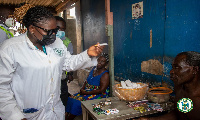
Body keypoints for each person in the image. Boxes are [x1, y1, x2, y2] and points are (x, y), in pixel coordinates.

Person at [0, 6, 105, 120]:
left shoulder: (57, 43)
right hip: (28, 114)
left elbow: (67, 62)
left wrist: (88, 54)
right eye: (48, 31)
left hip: (55, 110)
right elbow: (2, 88)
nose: (54, 35)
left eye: (55, 30)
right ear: (32, 28)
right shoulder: (11, 48)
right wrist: (15, 116)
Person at [136, 51, 200, 120]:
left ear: (194, 70)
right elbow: (181, 113)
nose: (171, 71)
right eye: (173, 67)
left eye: (177, 67)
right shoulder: (180, 88)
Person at [65, 53, 110, 120]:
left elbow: (101, 90)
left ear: (106, 64)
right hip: (86, 92)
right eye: (99, 60)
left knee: (77, 103)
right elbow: (86, 81)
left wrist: (86, 93)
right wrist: (82, 88)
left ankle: (69, 118)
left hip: (97, 95)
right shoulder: (94, 68)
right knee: (70, 98)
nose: (99, 62)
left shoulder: (105, 74)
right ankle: (66, 116)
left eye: (102, 61)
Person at [55, 16, 74, 107]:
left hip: (62, 76)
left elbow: (70, 59)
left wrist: (70, 74)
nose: (60, 31)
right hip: (47, 78)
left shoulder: (66, 42)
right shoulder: (44, 40)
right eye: (58, 28)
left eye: (63, 29)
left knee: (63, 98)